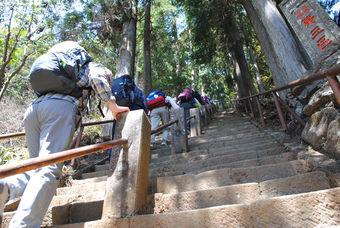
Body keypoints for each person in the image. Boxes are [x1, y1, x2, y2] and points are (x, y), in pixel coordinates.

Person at [0, 42, 129, 228]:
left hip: (34, 110)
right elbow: (98, 77)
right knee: (49, 170)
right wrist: (112, 105)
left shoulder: (61, 69)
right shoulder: (92, 66)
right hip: (59, 109)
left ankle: (7, 186)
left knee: (37, 168)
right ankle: (23, 225)